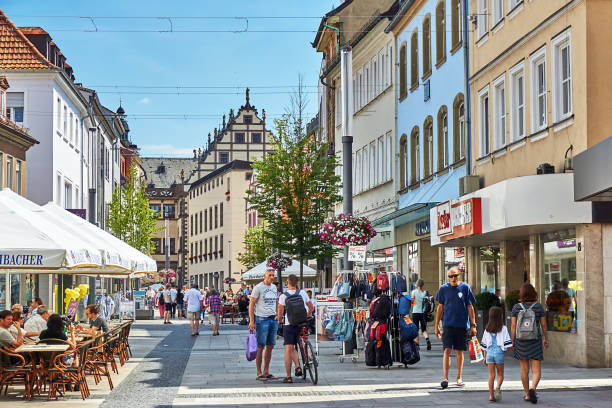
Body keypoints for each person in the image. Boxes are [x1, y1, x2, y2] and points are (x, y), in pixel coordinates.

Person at [435, 267, 477, 389]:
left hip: (462, 325)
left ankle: (459, 377)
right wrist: (437, 325)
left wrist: (473, 325)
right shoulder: (443, 289)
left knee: (459, 351)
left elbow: (470, 307)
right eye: (450, 276)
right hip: (448, 325)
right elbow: (440, 308)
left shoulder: (465, 288)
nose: (453, 278)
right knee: (447, 350)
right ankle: (445, 378)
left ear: (459, 275)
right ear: (447, 277)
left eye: (455, 275)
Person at [511, 283, 548, 404]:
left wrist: (512, 341)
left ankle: (527, 394)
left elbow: (513, 326)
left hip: (521, 340)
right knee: (536, 369)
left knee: (524, 369)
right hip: (535, 340)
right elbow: (543, 325)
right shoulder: (538, 307)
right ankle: (533, 388)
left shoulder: (516, 307)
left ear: (521, 294)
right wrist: (546, 338)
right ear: (534, 293)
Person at [277, 274, 314, 384]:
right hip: (302, 323)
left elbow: (280, 312)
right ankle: (305, 357)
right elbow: (311, 307)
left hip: (290, 324)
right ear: (297, 283)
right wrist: (308, 315)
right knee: (300, 341)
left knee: (288, 348)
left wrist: (279, 320)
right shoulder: (302, 293)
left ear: (287, 283)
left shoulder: (284, 296)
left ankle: (289, 376)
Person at [249, 268, 279, 381]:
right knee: (260, 346)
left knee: (270, 346)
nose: (272, 277)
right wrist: (251, 321)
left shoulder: (274, 287)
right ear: (264, 276)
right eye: (270, 275)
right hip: (261, 319)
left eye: (273, 275)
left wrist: (277, 314)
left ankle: (266, 371)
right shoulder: (258, 288)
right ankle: (259, 372)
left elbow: (276, 301)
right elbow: (251, 305)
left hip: (273, 319)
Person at [481, 306, 512, 402]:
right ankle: (498, 387)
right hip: (499, 353)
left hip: (489, 353)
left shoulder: (487, 329)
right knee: (501, 374)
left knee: (491, 375)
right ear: (500, 317)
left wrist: (485, 357)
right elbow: (507, 344)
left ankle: (491, 396)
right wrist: (509, 349)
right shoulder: (504, 328)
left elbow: (484, 345)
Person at [411, 279, 432, 351]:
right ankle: (427, 340)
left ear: (417, 284)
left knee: (416, 329)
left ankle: (417, 345)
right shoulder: (425, 292)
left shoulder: (414, 292)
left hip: (415, 312)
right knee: (424, 329)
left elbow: (412, 303)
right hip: (423, 313)